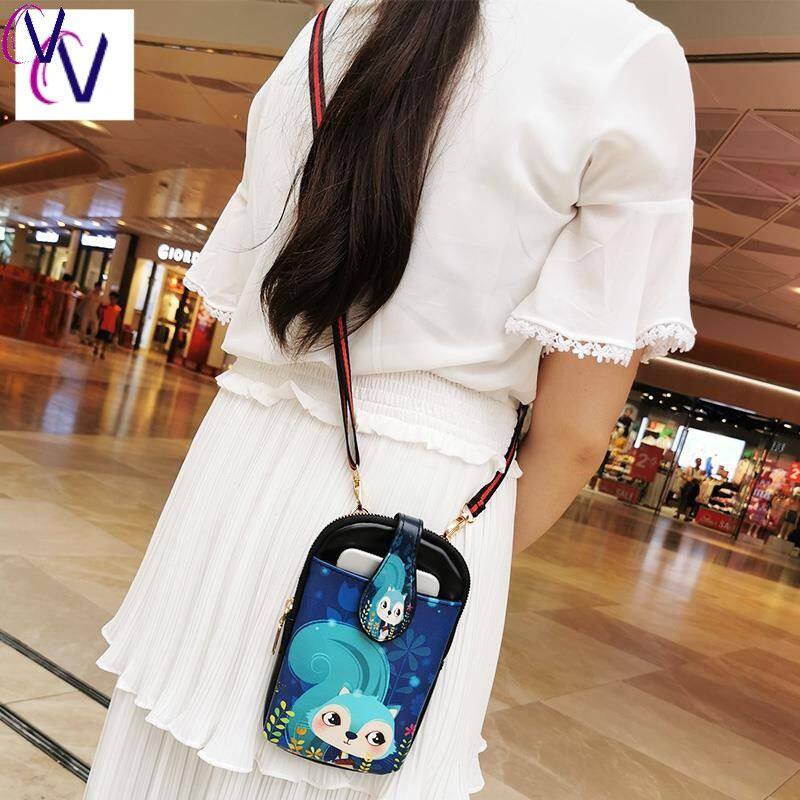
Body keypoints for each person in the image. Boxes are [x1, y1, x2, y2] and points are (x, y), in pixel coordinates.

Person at [84, 1, 696, 797]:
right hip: (430, 503)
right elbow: (577, 437)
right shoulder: (627, 54)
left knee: (172, 749)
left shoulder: (336, 21)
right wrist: (442, 567)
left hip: (236, 463)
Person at [93, 291, 122, 360]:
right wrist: (99, 310)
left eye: (114, 299)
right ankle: (96, 347)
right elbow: (99, 313)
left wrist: (117, 330)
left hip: (111, 328)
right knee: (99, 338)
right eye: (111, 298)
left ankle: (103, 352)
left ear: (117, 300)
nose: (112, 300)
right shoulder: (105, 306)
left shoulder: (118, 309)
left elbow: (118, 320)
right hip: (103, 325)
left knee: (106, 341)